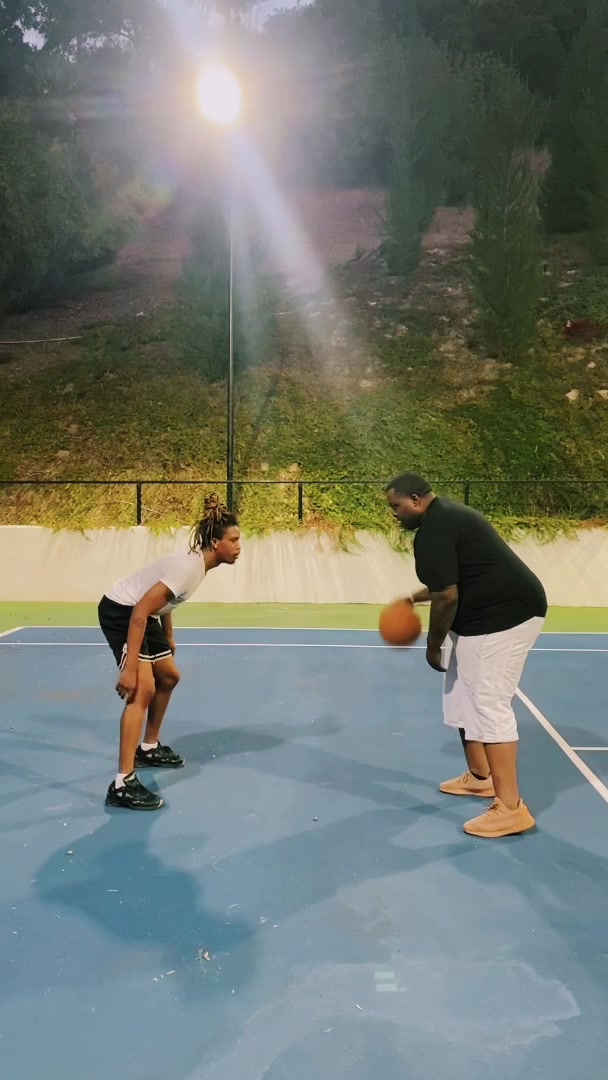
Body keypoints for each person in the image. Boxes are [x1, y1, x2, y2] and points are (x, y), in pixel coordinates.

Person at [386, 473, 547, 838]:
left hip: (505, 616)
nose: (395, 514)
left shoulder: (435, 530)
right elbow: (449, 580)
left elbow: (447, 595)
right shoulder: (445, 518)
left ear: (415, 500)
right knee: (461, 694)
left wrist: (433, 644)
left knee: (489, 702)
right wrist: (413, 598)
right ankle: (480, 777)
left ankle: (511, 809)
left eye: (396, 506)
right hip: (484, 617)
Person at [98, 495, 241, 811]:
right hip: (122, 611)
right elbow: (140, 609)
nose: (238, 546)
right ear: (215, 543)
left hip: (143, 614)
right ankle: (122, 784)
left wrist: (169, 636)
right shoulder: (189, 568)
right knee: (142, 690)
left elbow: (165, 601)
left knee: (169, 677)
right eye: (233, 540)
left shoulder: (198, 566)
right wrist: (129, 669)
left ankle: (148, 747)